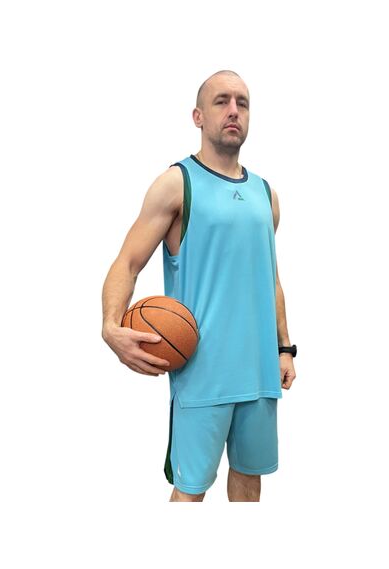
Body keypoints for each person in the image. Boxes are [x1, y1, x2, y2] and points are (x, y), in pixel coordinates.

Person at [101, 69, 297, 502]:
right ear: (198, 116)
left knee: (249, 484)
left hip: (260, 373)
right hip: (203, 374)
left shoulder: (266, 194)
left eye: (242, 103)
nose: (234, 111)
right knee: (189, 494)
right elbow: (127, 263)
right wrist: (110, 326)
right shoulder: (177, 183)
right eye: (221, 101)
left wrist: (284, 347)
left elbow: (270, 277)